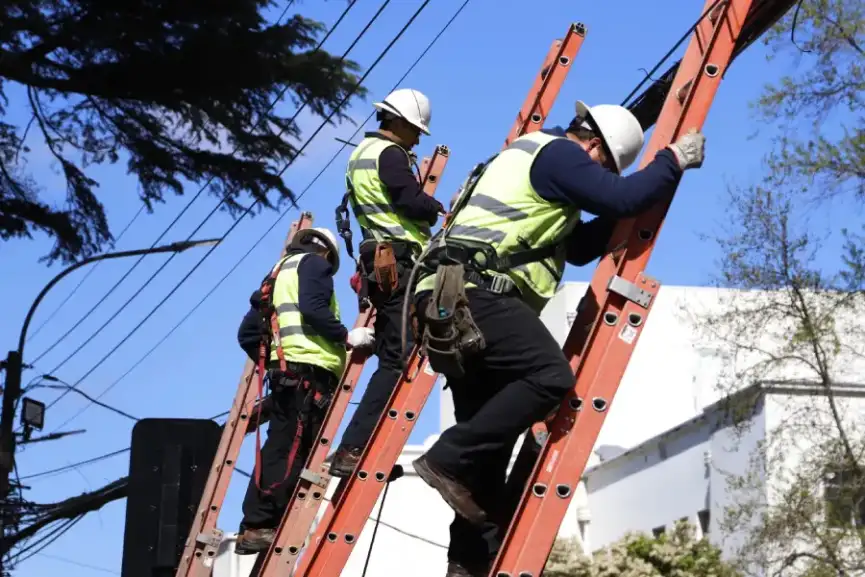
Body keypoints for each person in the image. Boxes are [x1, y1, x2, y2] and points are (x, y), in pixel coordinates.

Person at [409, 100, 707, 576]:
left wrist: (635, 201)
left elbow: (582, 246)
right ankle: (447, 457)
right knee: (550, 377)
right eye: (604, 170)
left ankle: (467, 565)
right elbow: (622, 199)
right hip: (475, 295)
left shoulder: (535, 169)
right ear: (595, 148)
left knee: (487, 460)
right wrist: (671, 162)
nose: (599, 179)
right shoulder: (559, 153)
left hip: (455, 301)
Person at [234, 227, 375, 554]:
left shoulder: (275, 276)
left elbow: (247, 334)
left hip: (290, 376)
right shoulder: (314, 264)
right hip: (309, 374)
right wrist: (346, 336)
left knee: (282, 446)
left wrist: (274, 362)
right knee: (290, 450)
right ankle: (258, 524)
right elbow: (313, 308)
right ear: (327, 253)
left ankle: (260, 523)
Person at [329, 88, 446, 478]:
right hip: (397, 260)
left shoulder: (361, 154)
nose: (417, 141)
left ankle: (360, 447)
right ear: (398, 122)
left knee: (394, 349)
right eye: (415, 131)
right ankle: (354, 449)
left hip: (379, 262)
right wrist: (435, 207)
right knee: (398, 357)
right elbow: (409, 201)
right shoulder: (390, 154)